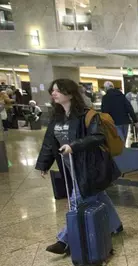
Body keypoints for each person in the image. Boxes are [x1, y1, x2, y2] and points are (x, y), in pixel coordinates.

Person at [35, 79, 122, 255]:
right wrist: (44, 163)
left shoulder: (87, 115)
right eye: (52, 90)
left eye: (58, 90)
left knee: (78, 200)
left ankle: (64, 240)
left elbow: (98, 137)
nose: (54, 93)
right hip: (70, 167)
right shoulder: (57, 117)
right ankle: (116, 225)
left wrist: (73, 146)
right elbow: (49, 142)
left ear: (70, 93)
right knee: (98, 195)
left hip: (90, 166)